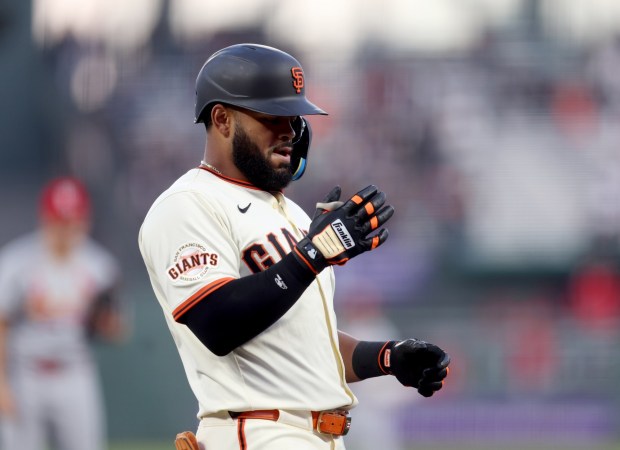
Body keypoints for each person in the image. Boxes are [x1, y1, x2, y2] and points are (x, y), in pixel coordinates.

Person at [138, 43, 450, 450]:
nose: (290, 131)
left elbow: (306, 342)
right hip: (257, 430)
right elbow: (217, 323)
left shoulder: (295, 216)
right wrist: (313, 254)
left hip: (316, 435)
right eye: (272, 116)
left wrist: (388, 357)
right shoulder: (188, 204)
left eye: (294, 117)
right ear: (222, 119)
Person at [0, 176, 126, 450]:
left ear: (85, 219)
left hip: (75, 372)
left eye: (73, 219)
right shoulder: (17, 261)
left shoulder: (100, 266)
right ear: (45, 218)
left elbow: (118, 331)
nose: (66, 228)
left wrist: (104, 321)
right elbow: (2, 324)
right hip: (25, 375)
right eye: (60, 219)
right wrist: (1, 384)